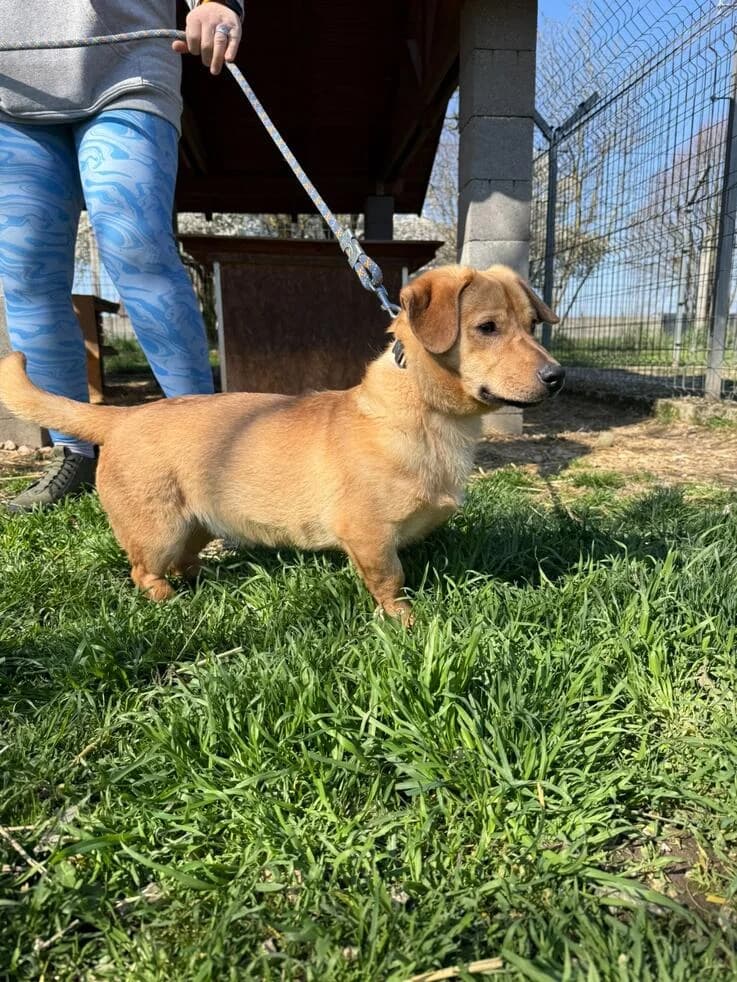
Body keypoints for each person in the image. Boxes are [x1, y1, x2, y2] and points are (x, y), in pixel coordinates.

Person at [0, 1, 243, 512]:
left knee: (136, 246)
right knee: (25, 270)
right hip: (11, 84)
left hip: (127, 61)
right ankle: (75, 455)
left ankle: (208, 447)